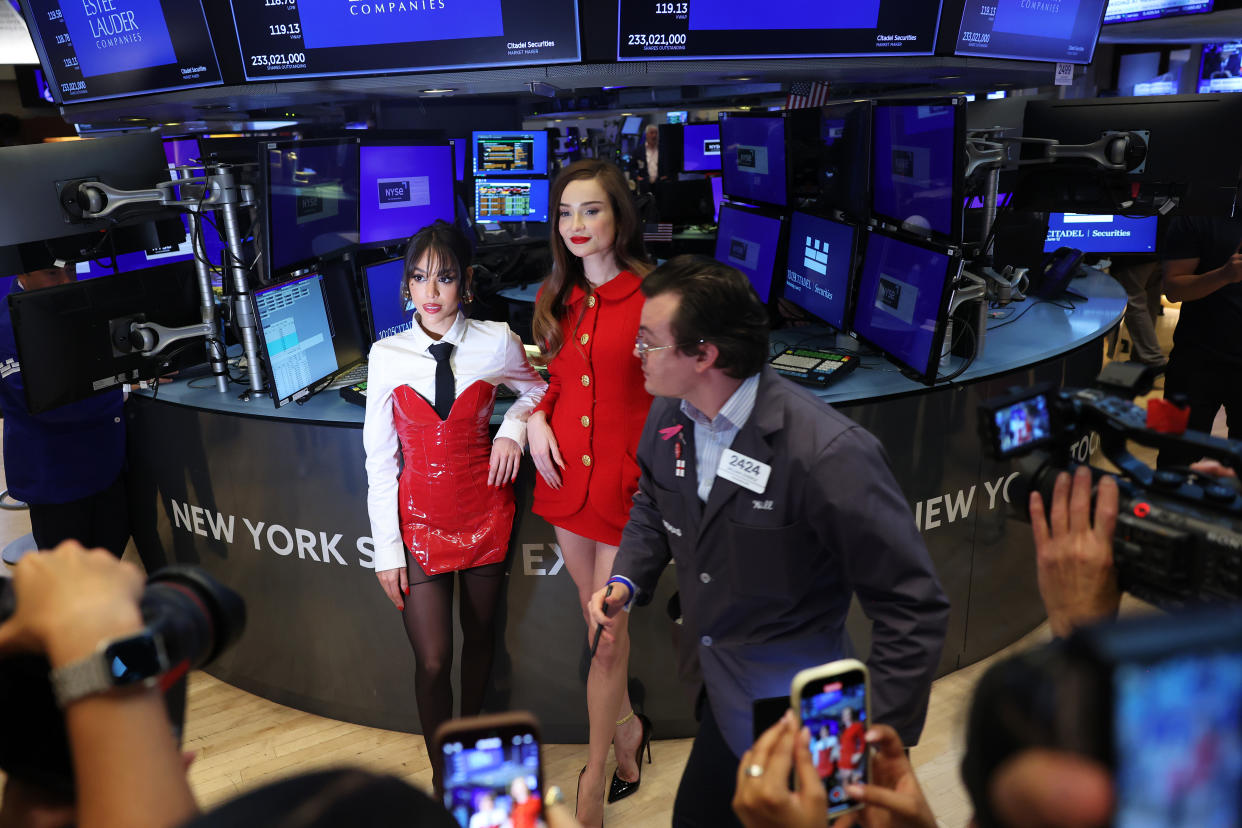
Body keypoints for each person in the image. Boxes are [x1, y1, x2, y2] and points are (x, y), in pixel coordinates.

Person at [589, 255, 950, 826]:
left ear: (704, 355)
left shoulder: (827, 452)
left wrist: (880, 749)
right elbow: (653, 505)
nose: (637, 353)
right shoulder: (668, 415)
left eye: (649, 342)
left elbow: (913, 606)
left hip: (808, 720)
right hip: (720, 693)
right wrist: (626, 578)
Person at [362, 221, 547, 789]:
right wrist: (387, 553)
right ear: (406, 286)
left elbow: (537, 389)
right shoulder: (385, 354)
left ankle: (474, 759)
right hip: (419, 523)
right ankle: (445, 776)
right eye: (419, 277)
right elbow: (378, 460)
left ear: (464, 282)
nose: (431, 291)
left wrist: (512, 427)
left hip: (487, 512)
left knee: (484, 642)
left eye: (443, 277)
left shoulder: (497, 339)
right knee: (435, 660)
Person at [525, 159, 655, 827]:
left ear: (619, 218)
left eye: (591, 210)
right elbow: (559, 379)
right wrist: (536, 415)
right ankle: (628, 728)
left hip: (628, 487)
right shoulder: (560, 297)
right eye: (566, 213)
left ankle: (594, 778)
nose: (576, 225)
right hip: (568, 480)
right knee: (594, 621)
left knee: (606, 637)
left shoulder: (653, 295)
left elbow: (679, 392)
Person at [0, 257, 130, 558]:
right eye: (51, 273)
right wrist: (122, 390)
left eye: (71, 270)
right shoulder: (7, 328)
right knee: (70, 580)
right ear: (23, 271)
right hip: (56, 480)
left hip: (104, 467)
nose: (66, 281)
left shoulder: (80, 306)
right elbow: (45, 402)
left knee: (110, 556)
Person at [1157, 215, 1242, 468]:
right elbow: (1173, 289)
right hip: (1192, 362)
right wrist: (1225, 275)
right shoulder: (1196, 216)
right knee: (1172, 458)